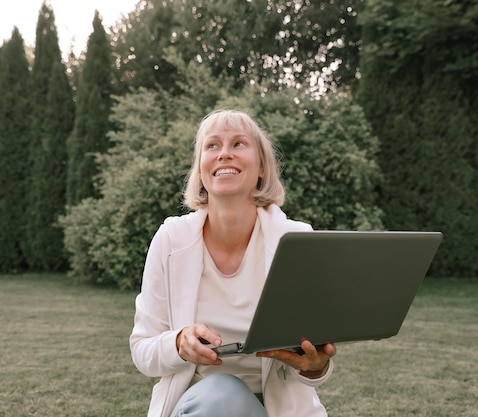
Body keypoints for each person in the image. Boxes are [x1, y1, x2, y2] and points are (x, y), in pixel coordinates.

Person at [130, 109, 336, 417]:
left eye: (239, 144)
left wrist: (314, 366)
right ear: (200, 170)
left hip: (282, 409)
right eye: (212, 146)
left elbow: (313, 365)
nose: (225, 153)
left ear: (262, 167)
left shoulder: (296, 240)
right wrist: (178, 343)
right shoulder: (171, 239)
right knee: (222, 395)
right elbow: (142, 350)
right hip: (201, 404)